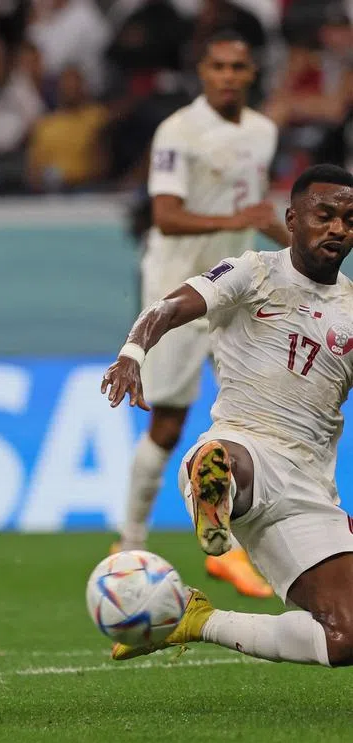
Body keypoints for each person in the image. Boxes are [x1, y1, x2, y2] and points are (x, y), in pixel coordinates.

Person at [101, 164, 353, 669]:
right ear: (292, 220)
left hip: (309, 489)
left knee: (344, 637)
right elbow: (168, 307)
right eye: (324, 216)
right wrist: (132, 352)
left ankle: (195, 619)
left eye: (349, 220)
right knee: (227, 459)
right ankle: (214, 487)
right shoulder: (253, 271)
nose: (338, 229)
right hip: (246, 445)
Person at [114, 29, 289, 598]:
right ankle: (129, 542)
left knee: (254, 416)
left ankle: (233, 549)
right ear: (203, 72)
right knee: (167, 424)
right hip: (177, 292)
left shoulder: (262, 131)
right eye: (218, 66)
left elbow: (254, 210)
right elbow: (165, 215)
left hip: (235, 290)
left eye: (238, 67)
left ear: (252, 73)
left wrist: (289, 245)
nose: (228, 76)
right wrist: (239, 220)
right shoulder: (179, 131)